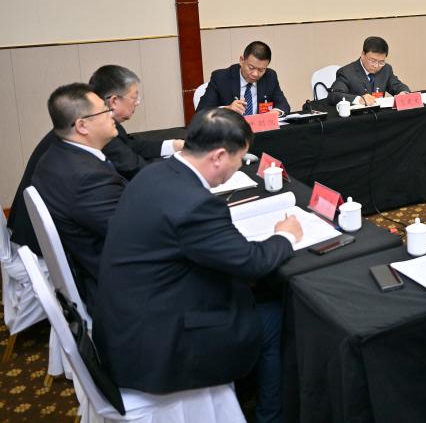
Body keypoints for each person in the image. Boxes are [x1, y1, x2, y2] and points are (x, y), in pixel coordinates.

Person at [94, 109, 301, 423]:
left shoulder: (155, 173)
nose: (238, 167)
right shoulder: (195, 204)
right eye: (239, 159)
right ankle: (270, 416)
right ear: (218, 156)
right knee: (275, 316)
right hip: (158, 346)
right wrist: (285, 237)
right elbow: (251, 262)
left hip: (126, 320)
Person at [30, 84, 126, 309]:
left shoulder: (54, 157)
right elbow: (135, 235)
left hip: (91, 266)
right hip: (119, 286)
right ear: (82, 126)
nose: (112, 114)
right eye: (105, 110)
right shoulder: (88, 178)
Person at [88, 65, 183, 179]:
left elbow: (131, 145)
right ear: (114, 101)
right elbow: (134, 168)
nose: (137, 103)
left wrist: (174, 145)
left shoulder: (108, 123)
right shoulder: (102, 132)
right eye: (134, 97)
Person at [196, 40, 290, 115]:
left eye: (261, 70)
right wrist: (227, 109)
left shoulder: (270, 77)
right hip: (231, 131)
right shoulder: (221, 78)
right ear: (242, 61)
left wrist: (275, 112)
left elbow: (283, 105)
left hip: (261, 130)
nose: (255, 74)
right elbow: (201, 111)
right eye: (251, 68)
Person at [326, 36, 410, 106]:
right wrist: (359, 99)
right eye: (373, 61)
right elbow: (334, 95)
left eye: (381, 62)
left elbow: (397, 85)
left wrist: (403, 93)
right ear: (363, 54)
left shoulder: (385, 69)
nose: (376, 66)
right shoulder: (347, 72)